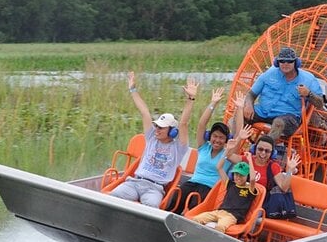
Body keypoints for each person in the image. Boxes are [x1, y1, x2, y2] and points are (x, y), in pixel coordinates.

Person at [109, 71, 197, 208]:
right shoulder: (151, 137)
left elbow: (183, 123)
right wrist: (132, 89)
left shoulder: (178, 148)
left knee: (151, 208)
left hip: (154, 189)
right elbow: (144, 112)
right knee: (111, 197)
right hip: (134, 182)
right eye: (156, 126)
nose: (157, 129)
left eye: (161, 128)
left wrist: (190, 99)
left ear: (172, 132)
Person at [172, 87, 239, 214]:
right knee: (175, 199)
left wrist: (239, 109)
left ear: (226, 140)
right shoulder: (204, 147)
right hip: (193, 183)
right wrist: (213, 103)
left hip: (210, 189)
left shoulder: (228, 153)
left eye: (221, 138)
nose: (217, 140)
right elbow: (201, 124)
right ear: (209, 136)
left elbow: (238, 134)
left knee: (194, 205)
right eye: (215, 136)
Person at [243, 46, 324, 143]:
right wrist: (248, 104)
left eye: (289, 61)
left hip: (289, 118)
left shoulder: (308, 79)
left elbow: (320, 103)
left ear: (296, 63)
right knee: (239, 113)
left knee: (278, 122)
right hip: (263, 112)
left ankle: (266, 149)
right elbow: (251, 94)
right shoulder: (270, 73)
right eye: (282, 61)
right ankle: (232, 147)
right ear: (277, 62)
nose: (285, 64)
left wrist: (309, 94)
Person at [190, 148, 257, 233]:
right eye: (236, 174)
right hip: (219, 212)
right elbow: (219, 167)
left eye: (241, 175)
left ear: (247, 176)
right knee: (196, 219)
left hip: (232, 216)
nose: (238, 177)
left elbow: (253, 179)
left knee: (220, 227)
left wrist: (250, 160)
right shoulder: (230, 184)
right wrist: (226, 151)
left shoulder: (249, 189)